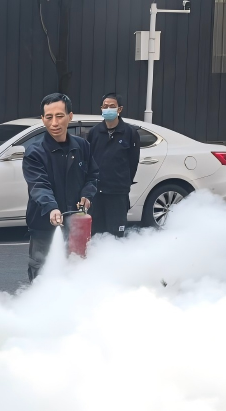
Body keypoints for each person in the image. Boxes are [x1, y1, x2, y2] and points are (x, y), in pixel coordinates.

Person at [23, 92, 99, 282]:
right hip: (43, 226)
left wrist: (87, 195)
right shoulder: (35, 152)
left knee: (75, 273)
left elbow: (93, 176)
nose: (54, 123)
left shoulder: (82, 147)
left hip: (76, 226)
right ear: (42, 119)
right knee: (42, 275)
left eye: (59, 116)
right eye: (49, 117)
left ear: (70, 116)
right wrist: (51, 207)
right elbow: (38, 185)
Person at [85, 92, 139, 237]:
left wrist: (123, 181)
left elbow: (133, 162)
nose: (107, 109)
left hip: (118, 192)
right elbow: (88, 160)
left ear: (119, 109)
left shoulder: (130, 132)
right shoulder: (94, 132)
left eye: (112, 106)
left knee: (116, 234)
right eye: (105, 106)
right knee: (96, 234)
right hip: (97, 193)